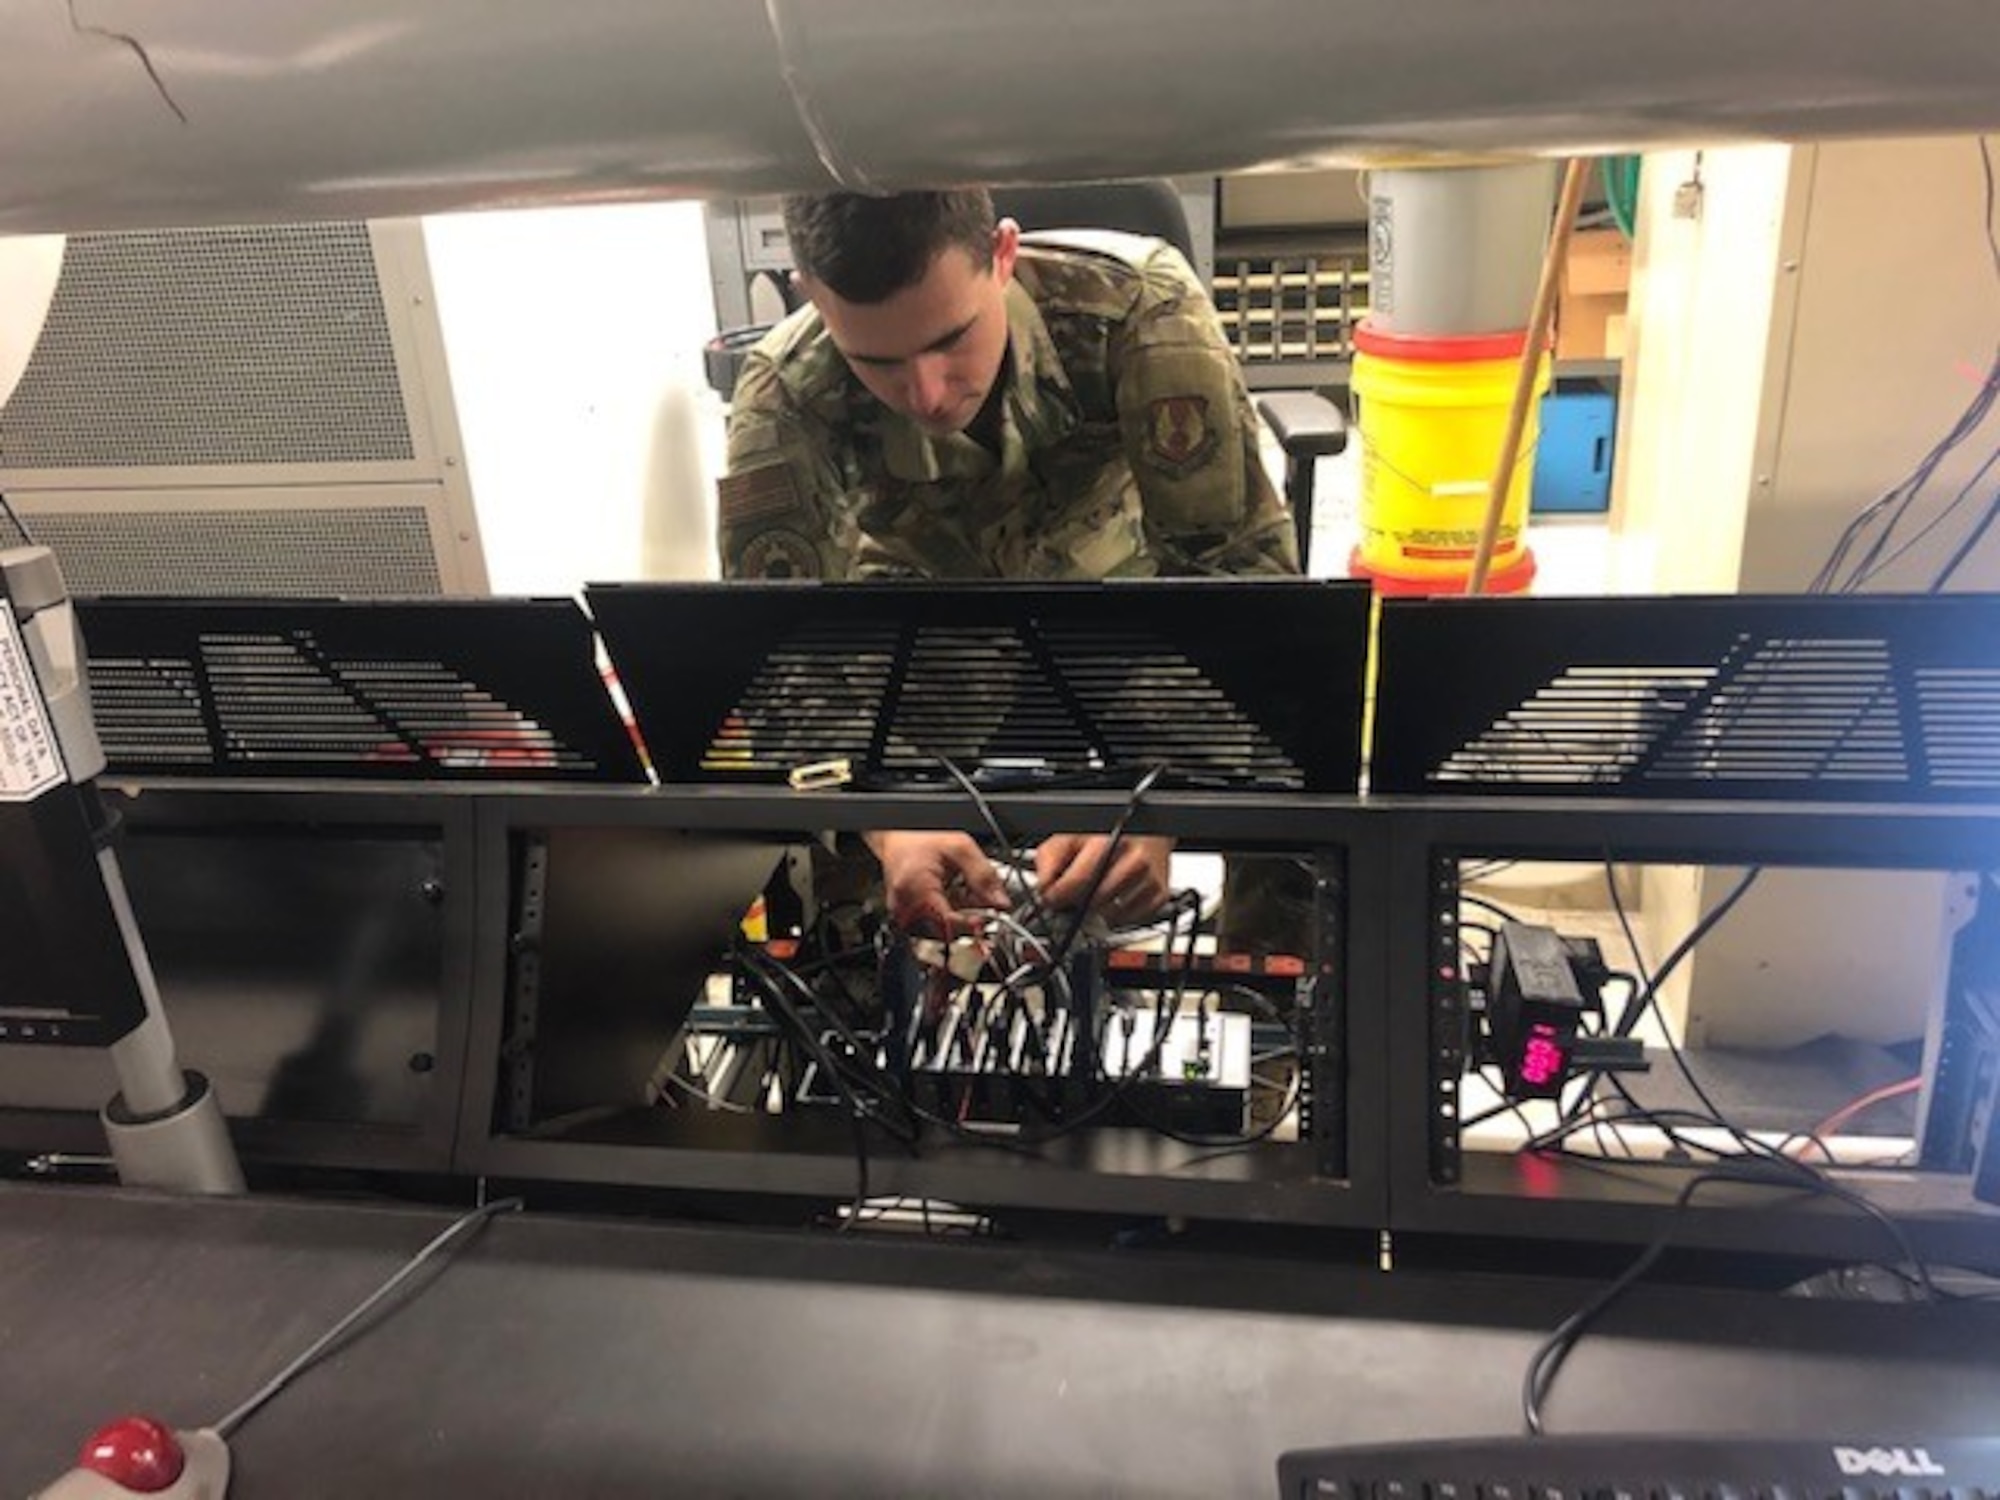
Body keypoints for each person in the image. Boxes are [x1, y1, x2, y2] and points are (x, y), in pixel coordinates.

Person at [718, 189, 1303, 940]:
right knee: (817, 825)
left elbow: (1237, 574)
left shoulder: (1137, 306)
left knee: (1301, 762)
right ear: (811, 297)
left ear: (1002, 254)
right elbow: (779, 657)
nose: (926, 393)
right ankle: (862, 1037)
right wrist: (886, 825)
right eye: (877, 363)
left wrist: (1158, 802)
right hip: (928, 633)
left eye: (950, 339)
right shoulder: (783, 390)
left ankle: (1273, 1025)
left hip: (1126, 612)